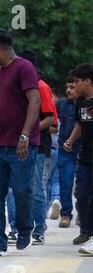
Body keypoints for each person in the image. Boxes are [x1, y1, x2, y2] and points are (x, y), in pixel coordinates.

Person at [0, 28, 41, 257]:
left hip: (21, 145)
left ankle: (25, 227)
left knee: (21, 190)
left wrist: (24, 135)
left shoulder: (24, 67)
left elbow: (34, 100)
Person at [19, 50, 57, 246]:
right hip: (18, 145)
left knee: (35, 189)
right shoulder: (19, 87)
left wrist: (28, 131)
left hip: (38, 146)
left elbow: (51, 119)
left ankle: (39, 229)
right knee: (17, 188)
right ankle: (19, 228)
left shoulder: (41, 87)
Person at [64, 63, 93, 254]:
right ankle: (85, 231)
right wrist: (71, 140)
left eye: (77, 82)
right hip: (85, 155)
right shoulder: (81, 103)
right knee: (81, 195)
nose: (74, 86)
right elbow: (80, 124)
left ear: (88, 81)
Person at [56, 78, 81, 228]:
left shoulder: (87, 104)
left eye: (72, 87)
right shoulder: (61, 105)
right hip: (64, 150)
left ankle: (82, 214)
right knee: (65, 183)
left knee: (82, 185)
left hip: (83, 150)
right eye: (67, 87)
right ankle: (66, 214)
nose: (68, 90)